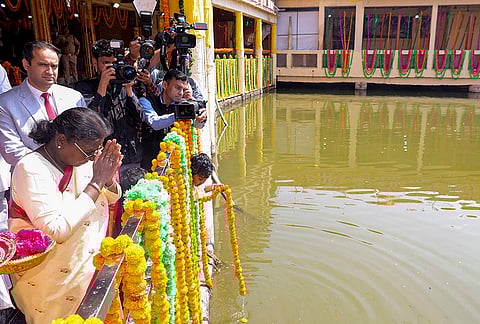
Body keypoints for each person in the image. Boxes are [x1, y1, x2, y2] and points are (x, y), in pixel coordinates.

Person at [8, 107, 122, 323]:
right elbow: (55, 229)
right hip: (49, 284)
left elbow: (111, 198)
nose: (92, 157)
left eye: (97, 151)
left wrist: (107, 178)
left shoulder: (79, 160)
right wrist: (97, 182)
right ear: (61, 140)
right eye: (89, 151)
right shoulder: (31, 168)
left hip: (88, 272)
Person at [0, 41, 86, 167]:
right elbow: (12, 150)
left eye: (54, 66)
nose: (50, 72)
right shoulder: (6, 103)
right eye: (43, 65)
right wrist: (54, 166)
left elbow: (85, 136)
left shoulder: (74, 97)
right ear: (26, 64)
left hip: (76, 174)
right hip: (32, 178)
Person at [75, 39, 144, 175]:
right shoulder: (84, 87)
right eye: (106, 63)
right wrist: (102, 85)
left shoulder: (123, 85)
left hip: (131, 155)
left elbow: (140, 117)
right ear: (95, 63)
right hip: (104, 159)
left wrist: (129, 91)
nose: (112, 68)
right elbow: (90, 121)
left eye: (114, 63)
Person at [138, 69, 207, 170]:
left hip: (174, 168)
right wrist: (181, 114)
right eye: (177, 88)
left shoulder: (183, 105)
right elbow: (154, 122)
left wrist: (199, 115)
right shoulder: (146, 101)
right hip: (149, 166)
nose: (180, 93)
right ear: (165, 85)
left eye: (183, 89)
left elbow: (199, 125)